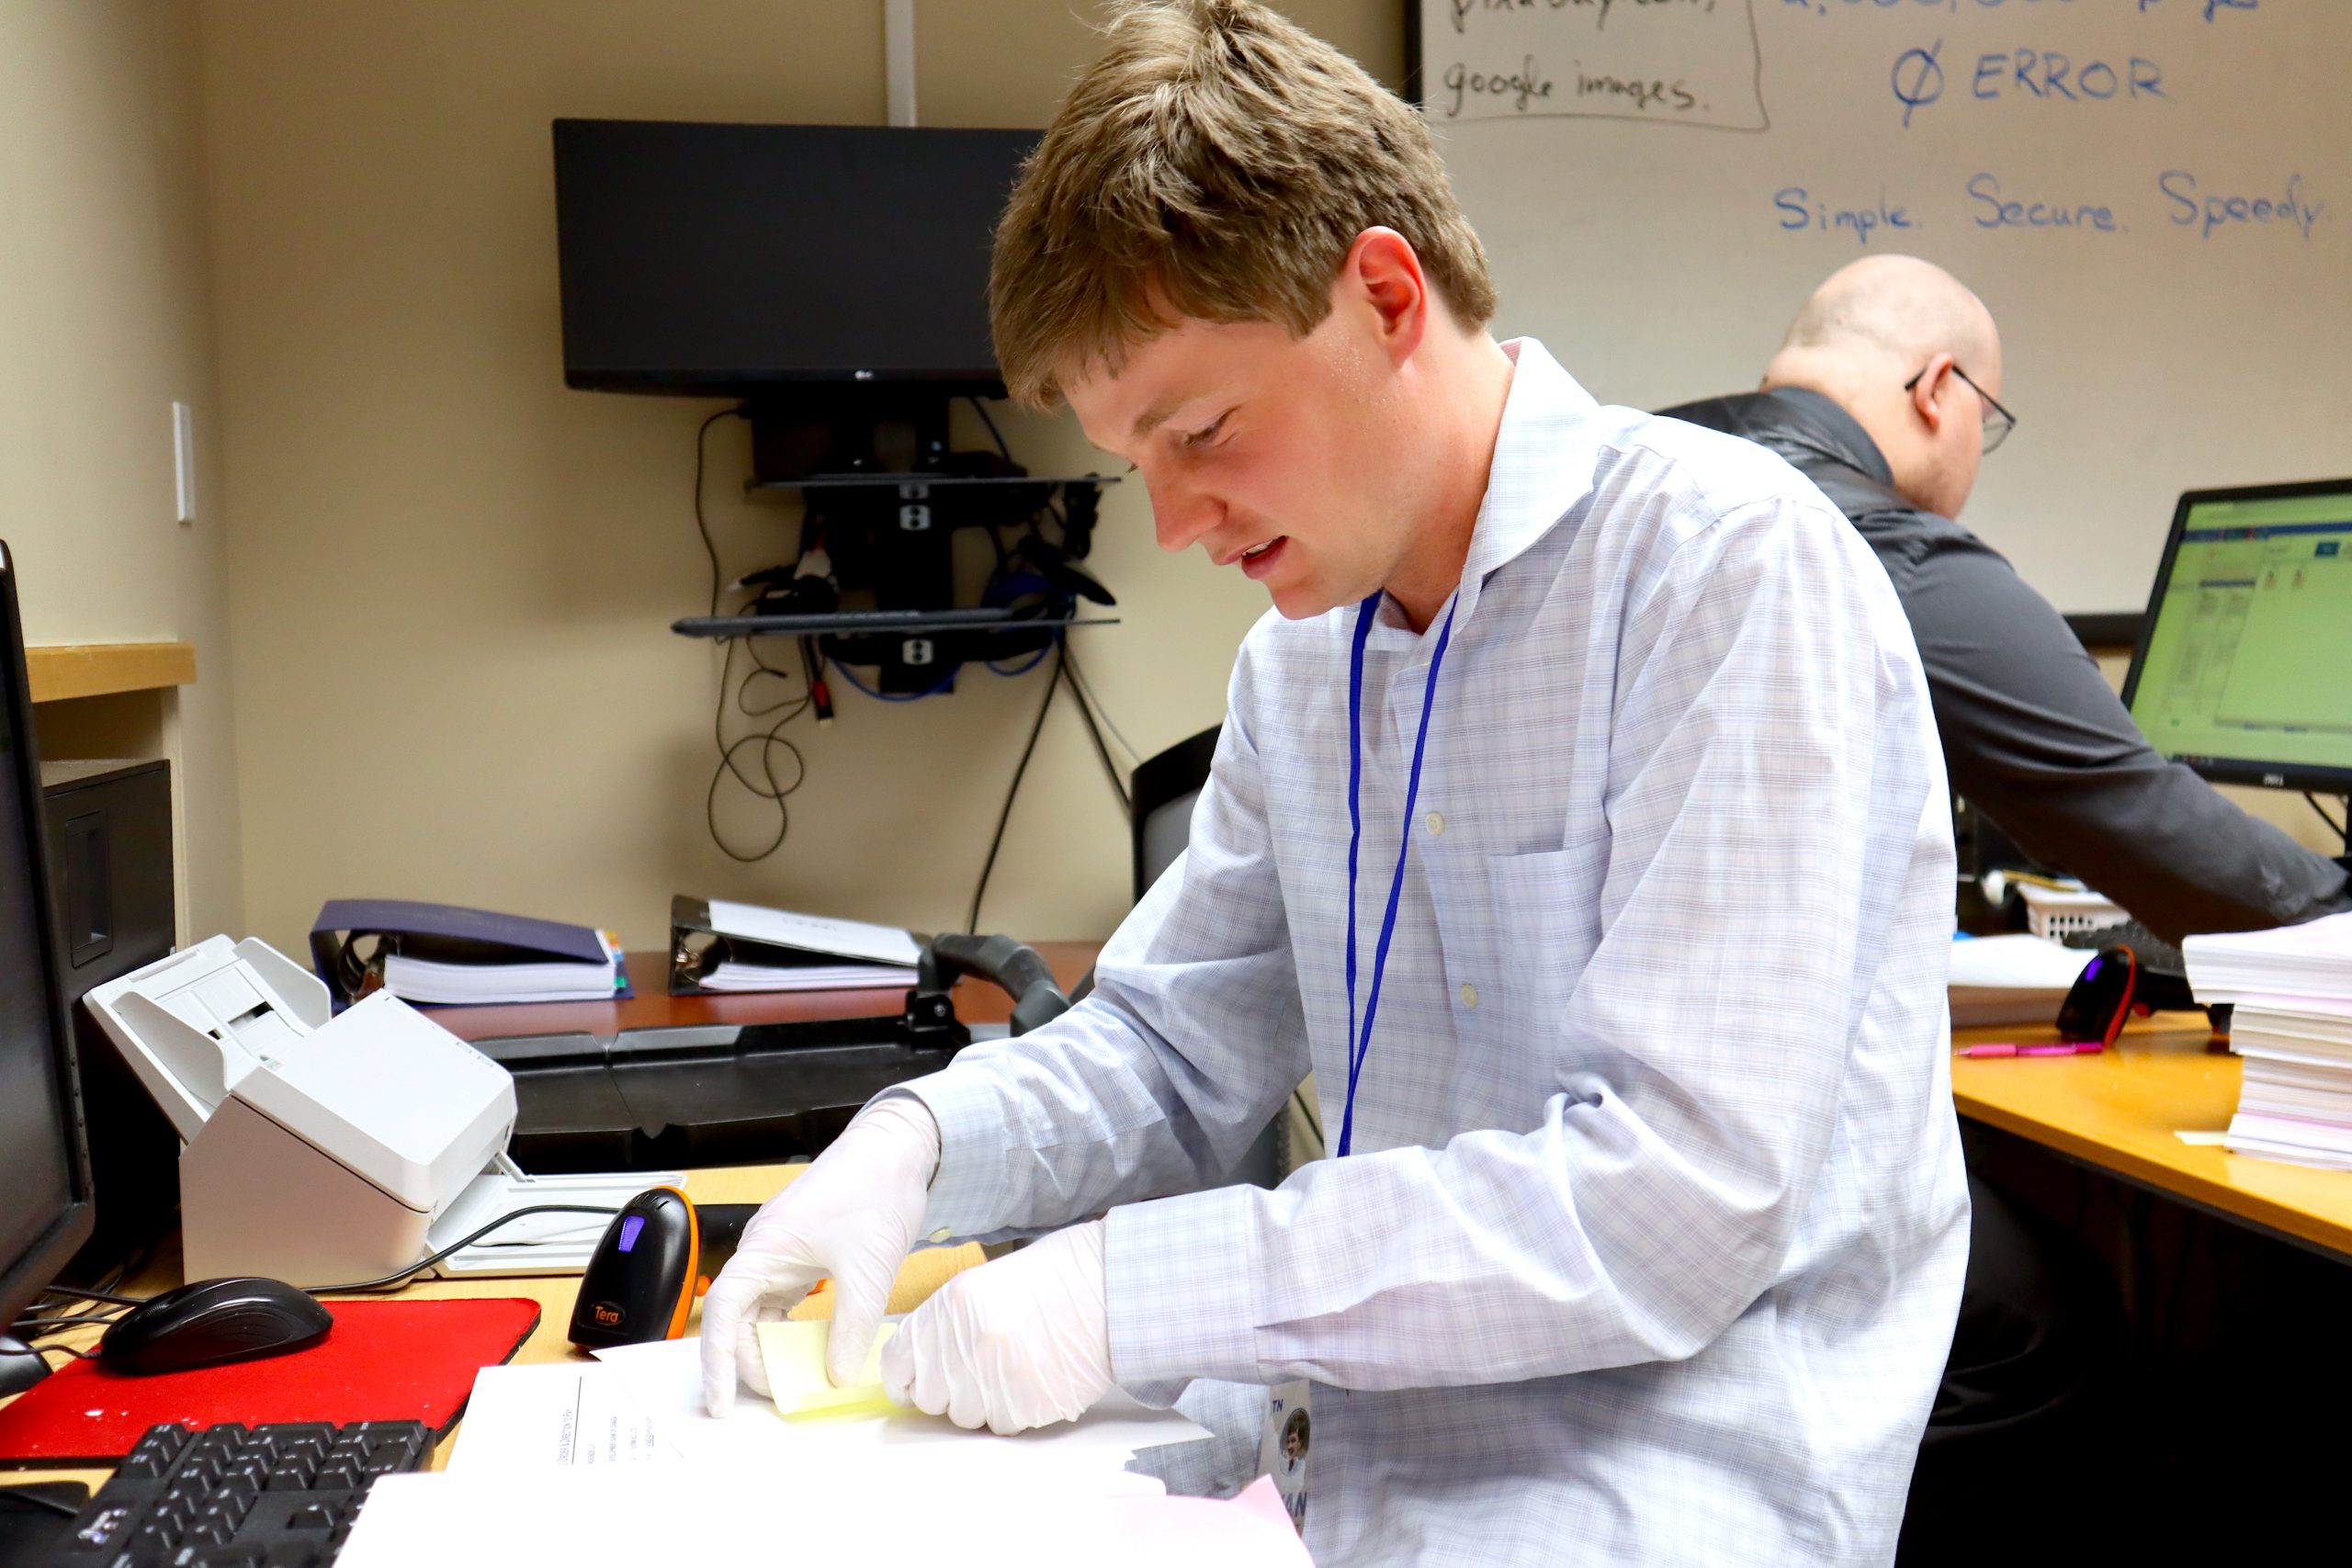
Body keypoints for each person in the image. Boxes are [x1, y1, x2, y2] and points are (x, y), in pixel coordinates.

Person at [701, 6, 1968, 1562]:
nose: (1173, 522)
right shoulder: (1307, 668)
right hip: (1345, 1446)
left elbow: (1671, 1204)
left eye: (1204, 432)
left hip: (1646, 1477)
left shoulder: (1724, 573)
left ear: (1381, 292)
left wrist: (1127, 1289)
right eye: (1133, 462)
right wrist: (912, 1147)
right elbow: (1173, 1049)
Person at [1662, 255, 2352, 948]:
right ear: (1937, 388)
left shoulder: (1631, 477)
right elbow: (2129, 813)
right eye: (1984, 419)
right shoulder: (1885, 551)